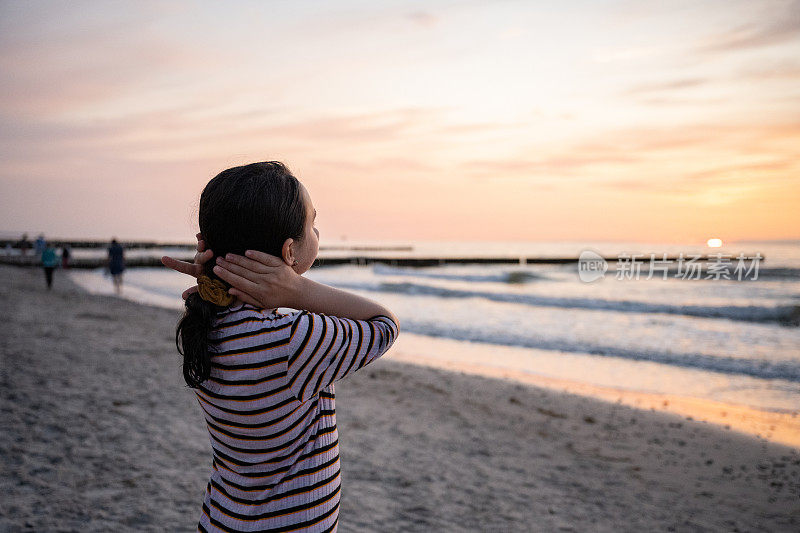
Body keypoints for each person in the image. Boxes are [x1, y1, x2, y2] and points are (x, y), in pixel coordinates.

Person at [161, 161, 400, 532]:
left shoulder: (206, 323)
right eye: (312, 224)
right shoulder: (292, 340)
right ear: (290, 252)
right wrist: (298, 290)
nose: (318, 231)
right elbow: (384, 326)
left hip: (224, 519)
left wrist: (216, 283)